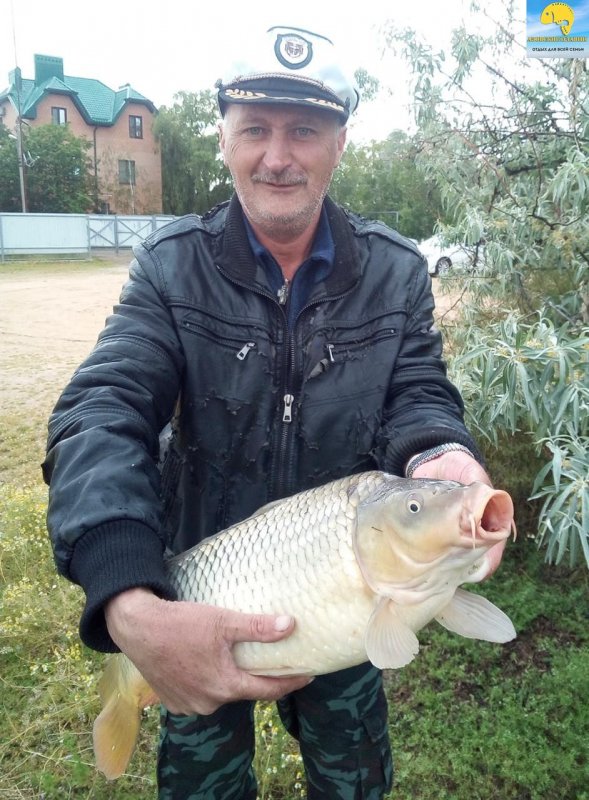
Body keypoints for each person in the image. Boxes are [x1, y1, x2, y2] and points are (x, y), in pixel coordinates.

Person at [43, 25, 505, 799]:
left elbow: (417, 393)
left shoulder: (393, 270)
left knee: (353, 782)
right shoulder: (171, 265)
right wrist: (126, 595)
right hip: (200, 583)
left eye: (304, 130)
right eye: (254, 129)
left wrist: (439, 458)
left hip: (346, 576)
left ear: (339, 143)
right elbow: (102, 408)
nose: (277, 155)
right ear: (222, 137)